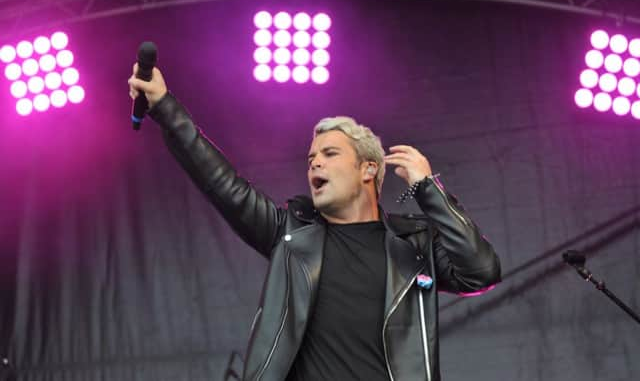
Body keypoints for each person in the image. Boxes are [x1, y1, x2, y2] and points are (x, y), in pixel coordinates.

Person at [128, 64, 501, 381]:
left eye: (329, 153)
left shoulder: (415, 245)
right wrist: (165, 108)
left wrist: (427, 188)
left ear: (368, 169)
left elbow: (481, 271)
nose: (315, 163)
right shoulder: (290, 232)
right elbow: (223, 184)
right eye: (310, 158)